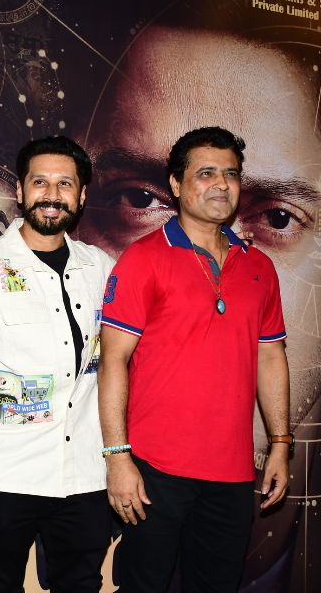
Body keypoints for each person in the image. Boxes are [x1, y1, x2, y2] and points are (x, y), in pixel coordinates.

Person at [98, 126, 291, 592]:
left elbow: (271, 358)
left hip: (232, 473)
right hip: (154, 471)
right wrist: (117, 457)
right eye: (206, 173)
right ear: (176, 183)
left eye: (231, 174)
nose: (221, 184)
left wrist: (281, 444)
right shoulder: (144, 259)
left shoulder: (260, 268)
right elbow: (113, 362)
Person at [0, 136, 115, 592]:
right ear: (19, 190)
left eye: (64, 184)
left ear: (82, 195)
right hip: (4, 473)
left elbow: (118, 368)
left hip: (85, 474)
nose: (51, 195)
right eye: (40, 182)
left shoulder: (102, 268)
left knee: (81, 585)